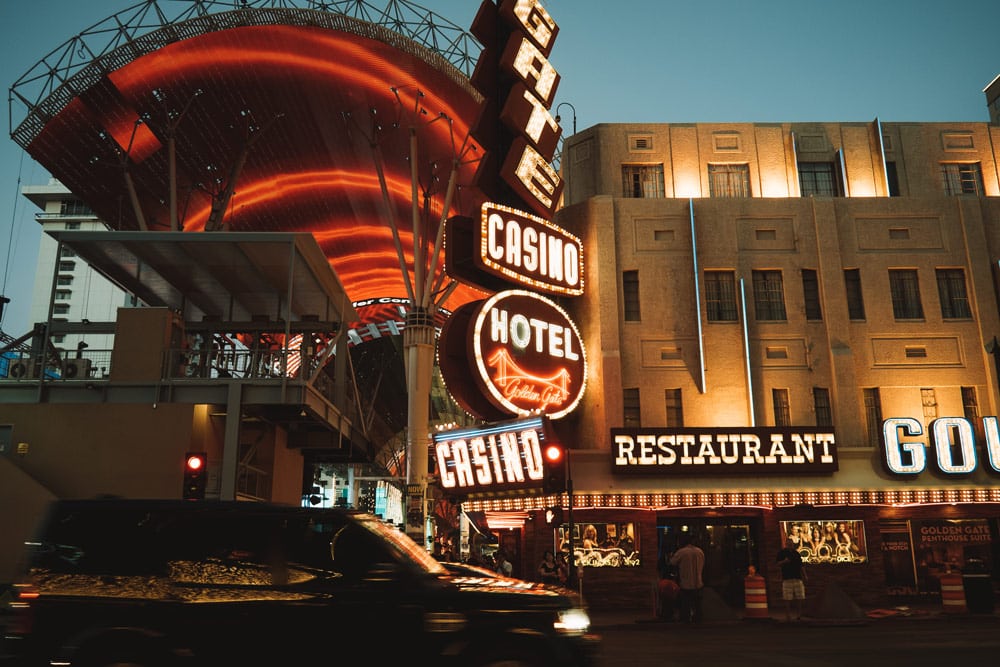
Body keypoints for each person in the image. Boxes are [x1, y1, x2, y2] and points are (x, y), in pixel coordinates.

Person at [669, 532, 705, 624]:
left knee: (686, 603)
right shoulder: (700, 551)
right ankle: (698, 619)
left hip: (686, 582)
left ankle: (686, 618)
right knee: (697, 603)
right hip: (698, 582)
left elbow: (672, 562)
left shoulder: (681, 552)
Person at [776, 540, 807, 621]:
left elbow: (801, 565)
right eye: (788, 544)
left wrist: (805, 575)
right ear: (786, 544)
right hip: (787, 578)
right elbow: (777, 563)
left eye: (791, 544)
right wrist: (784, 561)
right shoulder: (782, 553)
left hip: (797, 577)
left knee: (800, 597)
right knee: (787, 597)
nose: (790, 545)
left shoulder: (796, 553)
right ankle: (788, 615)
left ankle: (799, 615)